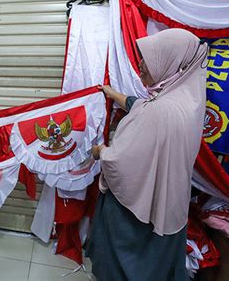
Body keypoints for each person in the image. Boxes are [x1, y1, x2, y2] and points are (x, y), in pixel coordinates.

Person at [86, 29, 208, 280]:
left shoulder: (159, 111)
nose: (140, 66)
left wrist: (101, 152)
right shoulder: (188, 100)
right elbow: (142, 106)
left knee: (124, 268)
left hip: (134, 214)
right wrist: (113, 94)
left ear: (171, 61)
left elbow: (120, 163)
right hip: (169, 205)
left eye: (149, 59)